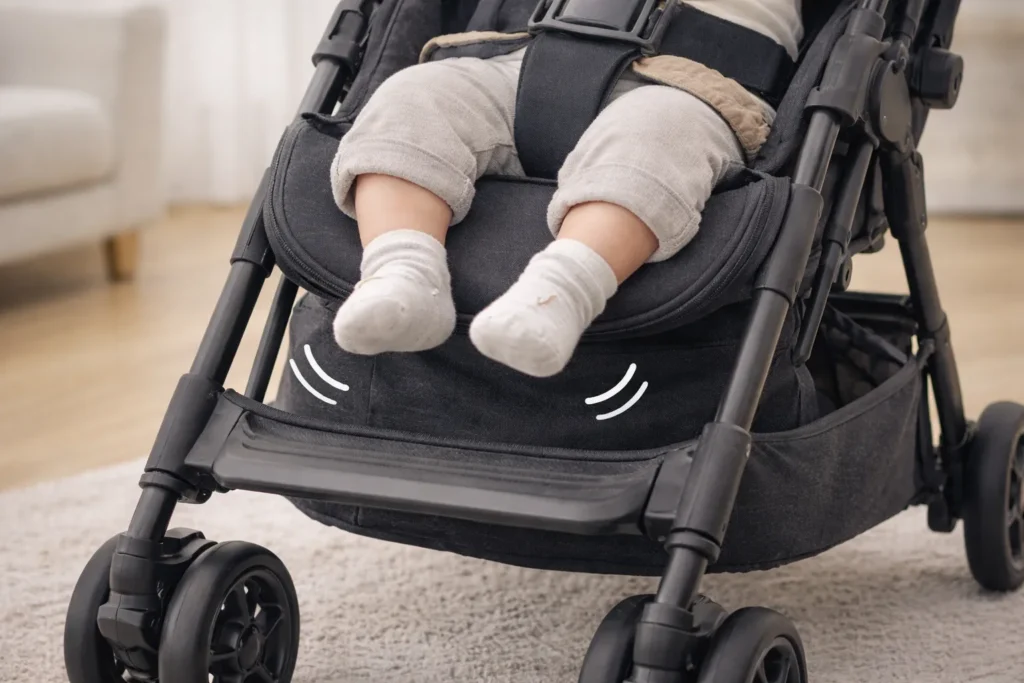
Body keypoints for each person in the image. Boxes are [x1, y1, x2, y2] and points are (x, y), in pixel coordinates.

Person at [329, 0, 803, 377]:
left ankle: (559, 293)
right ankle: (402, 270)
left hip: (697, 81)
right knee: (416, 96)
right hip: (522, 54)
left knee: (658, 139)